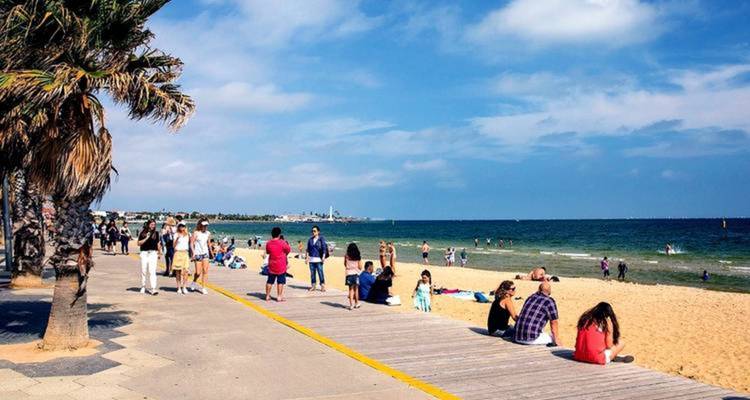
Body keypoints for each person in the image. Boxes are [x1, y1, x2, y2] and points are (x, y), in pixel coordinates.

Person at [265, 227, 291, 302]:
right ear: (279, 235)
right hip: (281, 265)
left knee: (270, 281)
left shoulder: (269, 243)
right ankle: (279, 296)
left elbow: (268, 252)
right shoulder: (282, 242)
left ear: (272, 234)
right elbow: (288, 249)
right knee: (280, 281)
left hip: (272, 265)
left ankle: (267, 295)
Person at [137, 219, 161, 295]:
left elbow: (158, 244)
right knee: (144, 270)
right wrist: (146, 238)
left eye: (154, 224)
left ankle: (153, 288)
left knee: (152, 271)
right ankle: (143, 286)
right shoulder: (143, 233)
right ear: (148, 224)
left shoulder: (156, 233)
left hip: (153, 253)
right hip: (144, 253)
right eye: (151, 224)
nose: (153, 226)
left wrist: (159, 252)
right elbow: (139, 243)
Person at [190, 218, 212, 295]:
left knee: (205, 271)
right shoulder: (196, 233)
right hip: (198, 254)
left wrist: (211, 253)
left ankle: (203, 287)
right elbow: (191, 243)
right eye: (204, 225)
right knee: (198, 272)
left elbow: (209, 243)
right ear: (200, 225)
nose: (205, 227)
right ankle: (194, 281)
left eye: (206, 225)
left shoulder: (208, 233)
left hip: (205, 254)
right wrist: (193, 253)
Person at [305, 225, 328, 292]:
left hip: (319, 259)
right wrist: (306, 258)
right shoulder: (310, 240)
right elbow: (308, 249)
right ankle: (313, 286)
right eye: (312, 231)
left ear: (318, 232)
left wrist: (323, 257)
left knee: (320, 273)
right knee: (312, 274)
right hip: (311, 259)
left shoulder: (321, 239)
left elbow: (324, 249)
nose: (313, 232)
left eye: (314, 231)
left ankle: (322, 286)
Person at [172, 223, 191, 294]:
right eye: (180, 226)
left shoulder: (188, 235)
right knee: (178, 271)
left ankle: (184, 287)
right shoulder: (176, 234)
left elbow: (190, 244)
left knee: (186, 271)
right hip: (178, 253)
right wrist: (177, 238)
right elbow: (173, 246)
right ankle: (179, 287)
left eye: (183, 226)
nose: (181, 227)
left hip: (185, 253)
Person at [344, 243, 363, 310]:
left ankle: (351, 305)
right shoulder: (358, 256)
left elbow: (345, 264)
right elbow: (360, 267)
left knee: (350, 290)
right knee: (356, 289)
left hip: (349, 274)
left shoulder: (346, 256)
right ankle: (357, 303)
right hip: (356, 274)